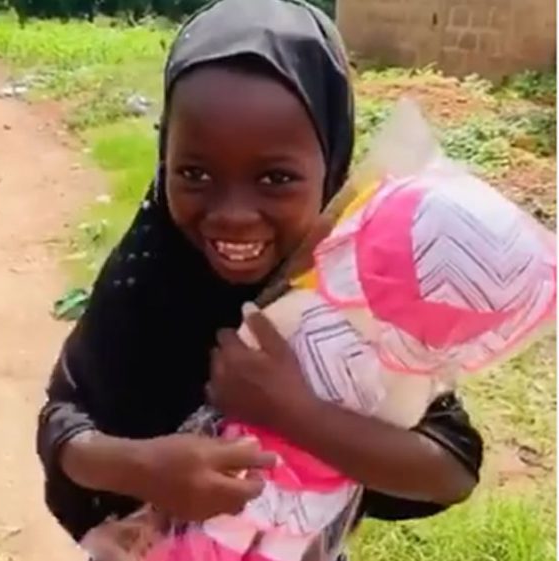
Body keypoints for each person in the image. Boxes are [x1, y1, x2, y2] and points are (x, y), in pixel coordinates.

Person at [35, 0, 483, 559]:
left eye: (275, 177)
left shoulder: (351, 299)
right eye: (194, 173)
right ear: (163, 159)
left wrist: (294, 413)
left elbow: (452, 468)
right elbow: (62, 419)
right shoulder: (147, 280)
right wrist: (141, 467)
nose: (232, 214)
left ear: (332, 167)